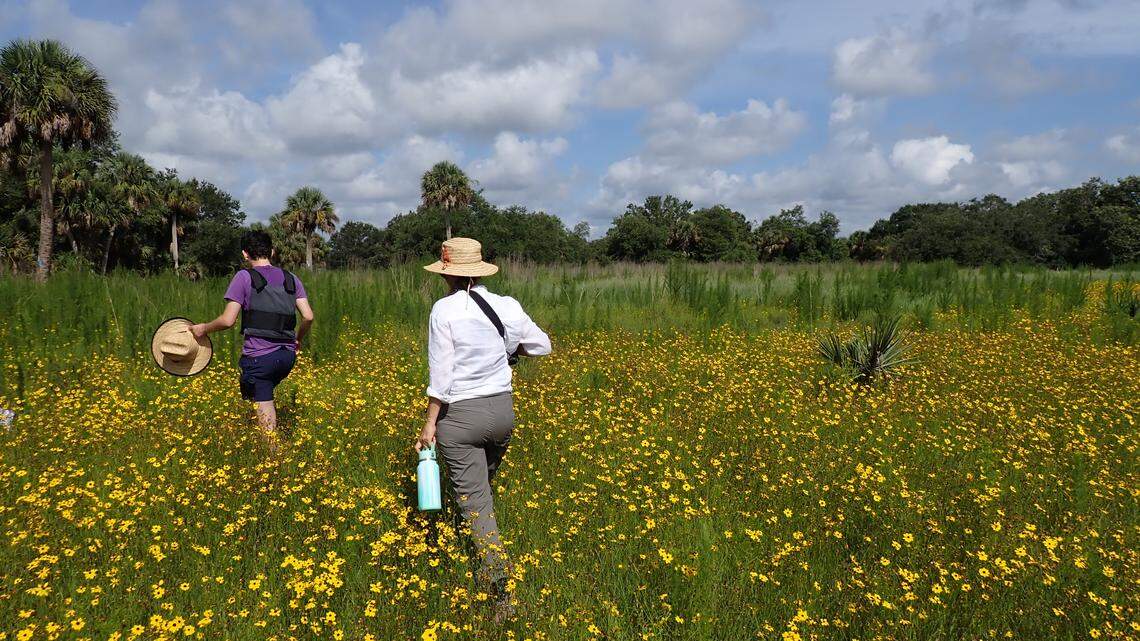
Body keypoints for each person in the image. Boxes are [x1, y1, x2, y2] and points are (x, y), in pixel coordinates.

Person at [415, 237, 551, 623]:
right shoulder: (507, 305)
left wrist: (429, 423)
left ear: (447, 273)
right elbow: (541, 345)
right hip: (502, 412)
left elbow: (441, 376)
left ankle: (501, 592)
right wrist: (506, 349)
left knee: (476, 504)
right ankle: (473, 540)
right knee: (482, 492)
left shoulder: (444, 310)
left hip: (461, 417)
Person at [190, 230, 313, 446]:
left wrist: (203, 329)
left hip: (260, 358)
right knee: (256, 392)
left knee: (263, 403)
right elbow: (308, 317)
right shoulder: (291, 279)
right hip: (287, 357)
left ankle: (273, 454)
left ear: (245, 254)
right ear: (272, 251)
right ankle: (256, 434)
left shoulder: (243, 277)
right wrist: (297, 339)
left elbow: (228, 320)